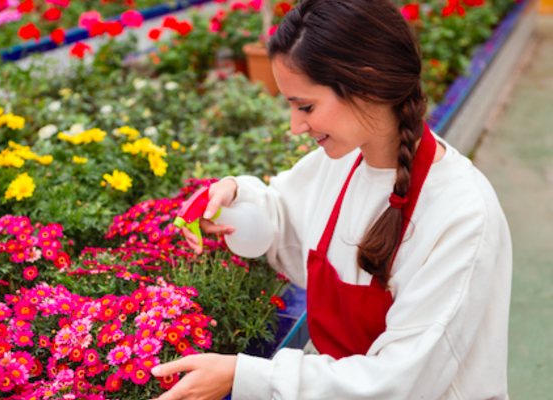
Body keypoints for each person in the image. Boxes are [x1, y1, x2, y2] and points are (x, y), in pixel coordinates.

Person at [148, 0, 513, 399]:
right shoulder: (338, 165)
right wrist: (236, 200)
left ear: (367, 84)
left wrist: (245, 376)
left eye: (305, 106)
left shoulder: (461, 213)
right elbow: (283, 220)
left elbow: (401, 382)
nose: (294, 127)